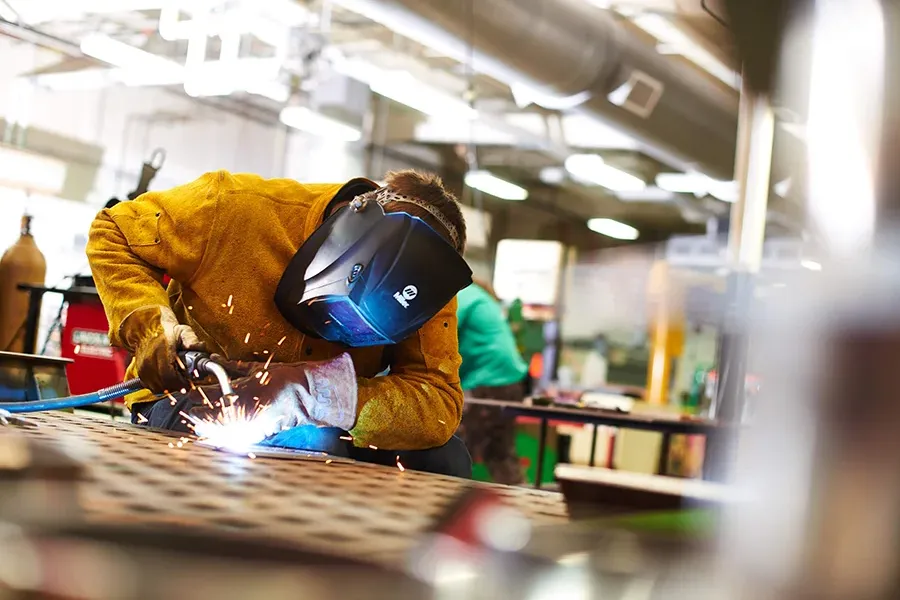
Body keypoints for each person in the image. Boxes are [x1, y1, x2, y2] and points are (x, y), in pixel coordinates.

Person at [86, 170, 473, 477]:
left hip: (321, 421)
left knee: (445, 458)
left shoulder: (423, 288)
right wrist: (154, 326)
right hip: (193, 394)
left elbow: (436, 401)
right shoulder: (235, 207)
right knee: (308, 445)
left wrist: (322, 395)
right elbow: (114, 231)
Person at [455, 281, 528, 485]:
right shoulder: (480, 298)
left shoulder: (463, 295)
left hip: (487, 380)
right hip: (510, 381)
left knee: (455, 445)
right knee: (500, 452)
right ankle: (518, 506)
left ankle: (444, 502)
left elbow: (439, 333)